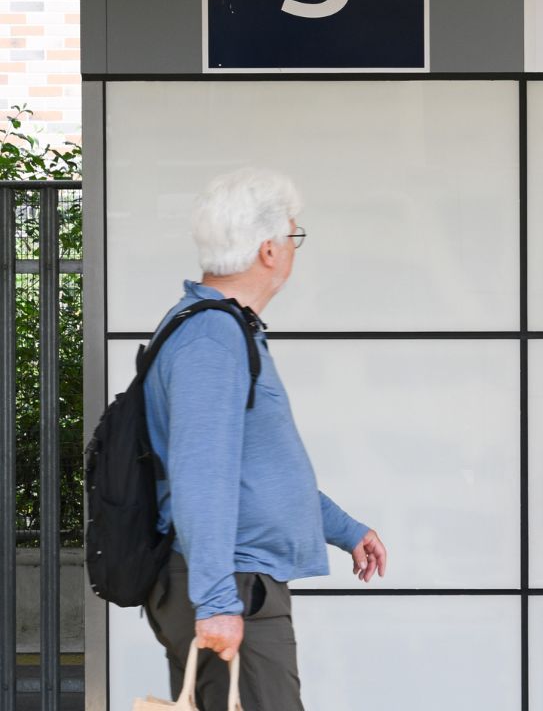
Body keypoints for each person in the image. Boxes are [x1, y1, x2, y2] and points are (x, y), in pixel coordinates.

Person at [141, 168, 388, 710]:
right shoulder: (211, 339)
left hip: (236, 579)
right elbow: (201, 478)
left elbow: (256, 470)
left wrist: (345, 529)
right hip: (232, 583)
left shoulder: (223, 329)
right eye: (293, 236)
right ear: (268, 250)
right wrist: (215, 601)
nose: (294, 250)